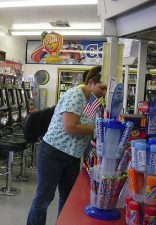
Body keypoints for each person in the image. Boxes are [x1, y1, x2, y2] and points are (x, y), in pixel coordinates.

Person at [26, 66, 107, 225]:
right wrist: (99, 128)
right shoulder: (75, 95)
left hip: (72, 155)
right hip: (53, 153)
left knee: (67, 197)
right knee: (44, 198)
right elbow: (70, 127)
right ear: (91, 82)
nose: (104, 92)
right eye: (102, 88)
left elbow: (87, 124)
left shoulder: (92, 99)